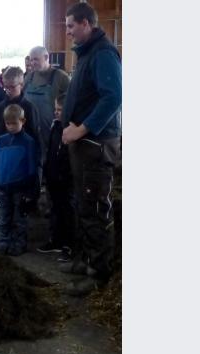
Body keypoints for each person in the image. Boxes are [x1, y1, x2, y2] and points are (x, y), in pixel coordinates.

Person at [59, 2, 122, 296]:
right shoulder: (87, 53)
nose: (68, 31)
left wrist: (81, 129)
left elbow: (113, 99)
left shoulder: (104, 53)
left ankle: (98, 273)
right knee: (84, 204)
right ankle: (85, 260)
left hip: (96, 144)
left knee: (96, 207)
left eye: (71, 25)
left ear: (87, 24)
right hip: (83, 144)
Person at [0, 104, 39, 256]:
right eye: (7, 123)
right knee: (4, 216)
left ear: (22, 121)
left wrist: (31, 190)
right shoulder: (2, 140)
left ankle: (19, 243)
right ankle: (4, 242)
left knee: (19, 218)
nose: (10, 127)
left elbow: (32, 167)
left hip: (20, 188)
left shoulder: (28, 142)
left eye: (14, 123)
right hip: (2, 186)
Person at [37, 94, 75, 261]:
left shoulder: (73, 131)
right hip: (53, 178)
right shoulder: (55, 126)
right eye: (56, 109)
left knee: (68, 212)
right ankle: (56, 240)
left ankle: (69, 245)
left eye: (60, 110)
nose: (56, 113)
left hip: (67, 180)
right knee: (55, 210)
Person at [25, 45, 71, 161]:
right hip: (30, 130)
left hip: (51, 132)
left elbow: (70, 104)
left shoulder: (61, 77)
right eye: (31, 59)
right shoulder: (28, 77)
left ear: (46, 57)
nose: (32, 62)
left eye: (36, 59)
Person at [0, 66, 41, 146]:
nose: (9, 90)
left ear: (21, 85)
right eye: (6, 87)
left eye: (13, 87)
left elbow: (35, 136)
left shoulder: (29, 108)